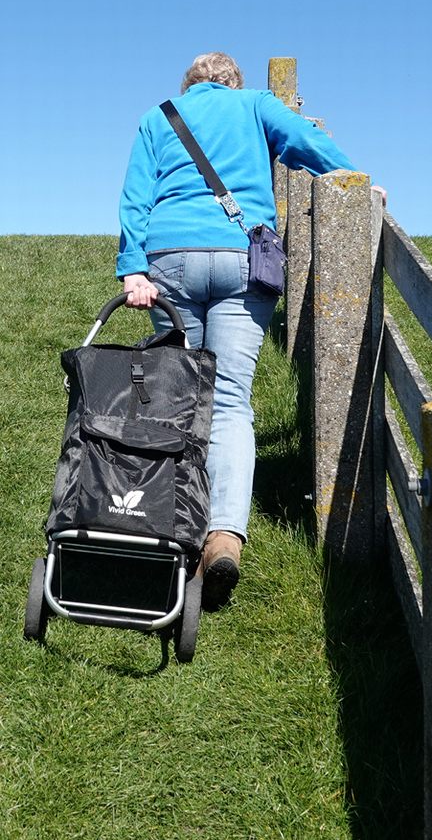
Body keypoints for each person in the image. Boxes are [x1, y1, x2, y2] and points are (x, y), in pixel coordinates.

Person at [117, 52, 376, 607]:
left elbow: (136, 196)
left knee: (178, 397)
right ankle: (224, 536)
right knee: (231, 401)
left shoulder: (158, 116)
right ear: (232, 83)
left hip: (170, 258)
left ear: (189, 87)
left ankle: (167, 526)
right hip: (242, 258)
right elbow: (306, 141)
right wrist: (355, 181)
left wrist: (133, 268)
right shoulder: (255, 105)